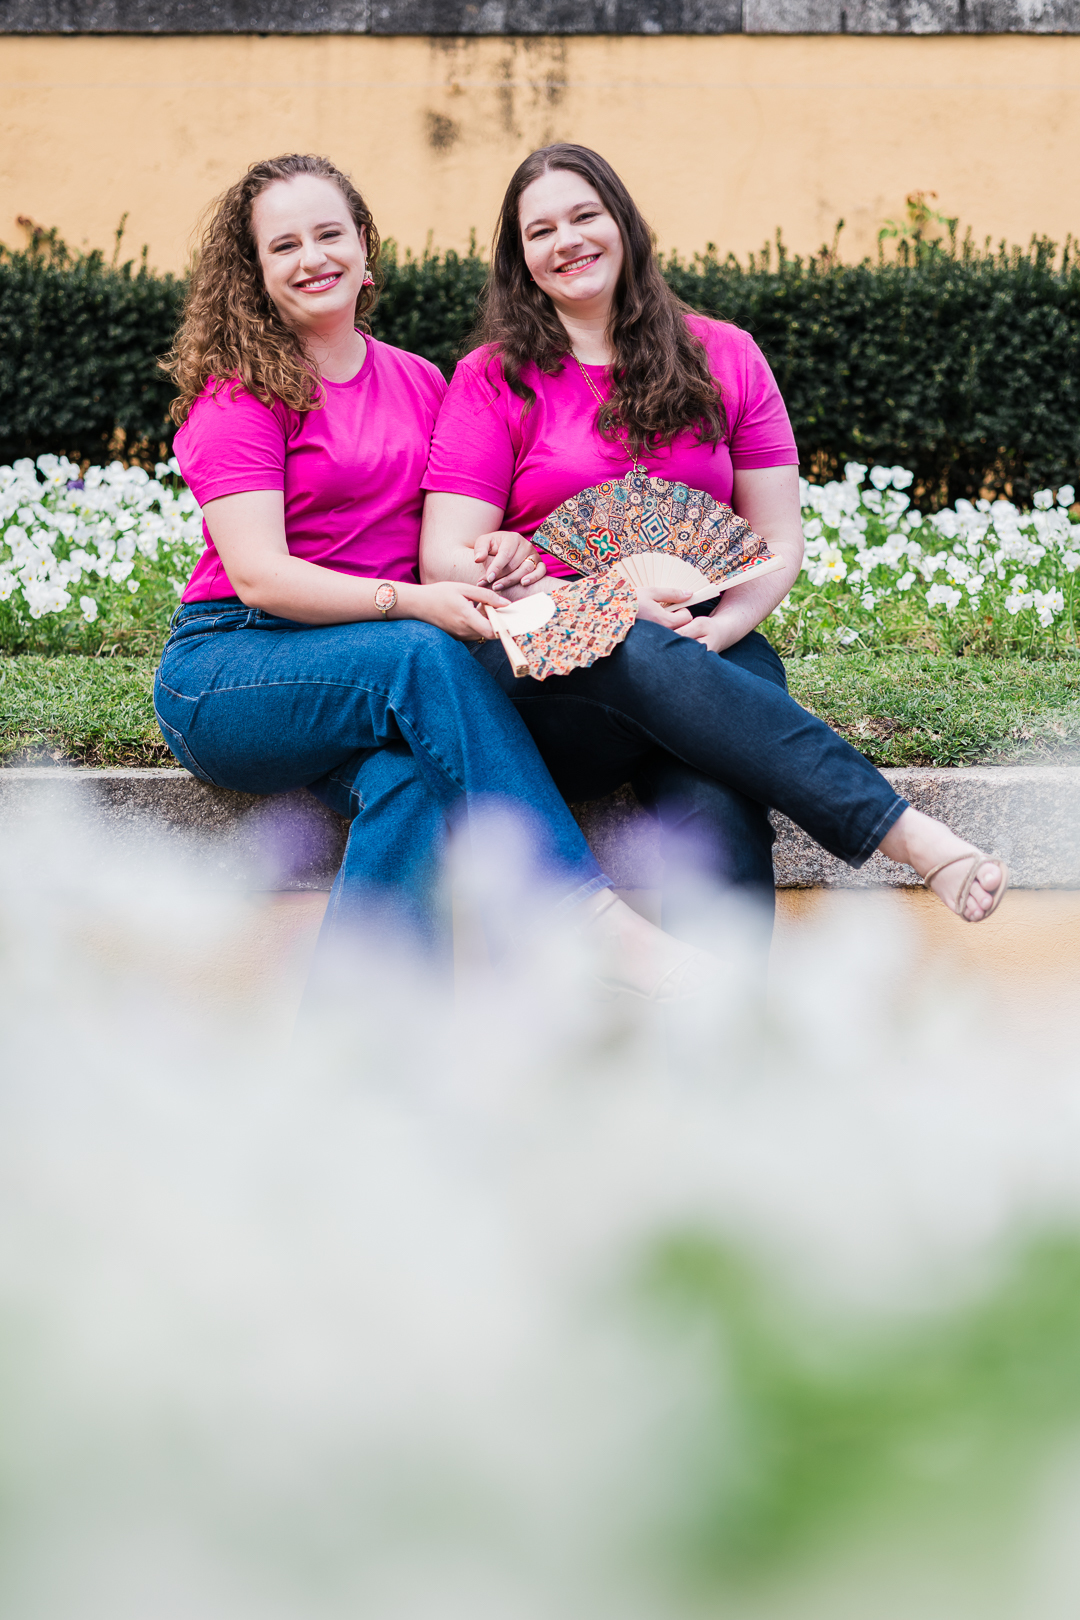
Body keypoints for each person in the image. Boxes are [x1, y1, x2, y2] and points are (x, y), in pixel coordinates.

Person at [153, 152, 716, 998]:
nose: (313, 258)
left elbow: (450, 532)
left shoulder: (418, 380)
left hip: (367, 671)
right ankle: (581, 916)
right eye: (285, 246)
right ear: (256, 273)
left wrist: (505, 554)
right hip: (234, 670)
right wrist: (415, 604)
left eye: (329, 234)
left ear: (365, 248)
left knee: (415, 783)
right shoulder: (240, 399)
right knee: (417, 654)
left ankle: (363, 1062)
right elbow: (262, 578)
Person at [419, 144, 1007, 926]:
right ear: (520, 258)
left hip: (708, 642)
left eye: (585, 216)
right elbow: (445, 557)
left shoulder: (724, 355)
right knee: (626, 638)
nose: (566, 241)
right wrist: (590, 591)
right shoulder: (493, 377)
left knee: (720, 801)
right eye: (541, 230)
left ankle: (727, 1037)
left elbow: (777, 539)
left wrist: (721, 629)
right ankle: (903, 833)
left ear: (623, 223)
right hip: (551, 673)